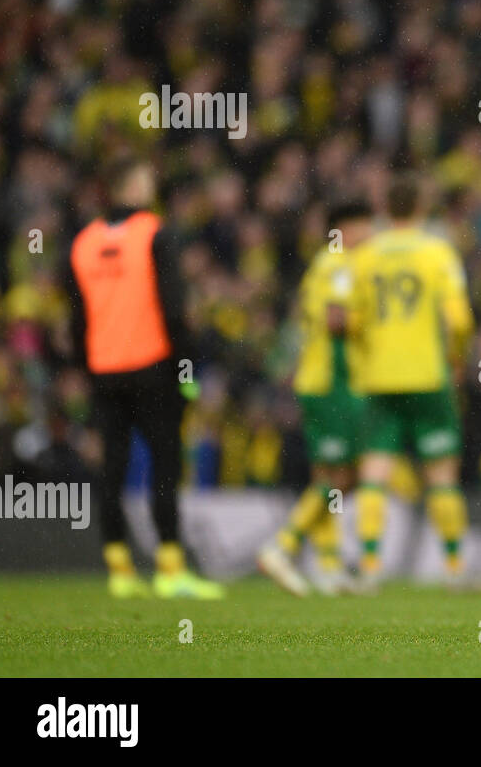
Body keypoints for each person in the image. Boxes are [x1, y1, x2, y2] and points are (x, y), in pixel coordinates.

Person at [66, 157, 223, 599]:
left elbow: (77, 321)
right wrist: (188, 372)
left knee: (111, 468)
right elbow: (175, 311)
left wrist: (87, 369)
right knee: (164, 466)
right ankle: (170, 569)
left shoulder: (83, 243)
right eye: (146, 179)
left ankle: (118, 570)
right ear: (130, 186)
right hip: (153, 368)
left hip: (104, 373)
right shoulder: (156, 234)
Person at [347, 175, 474, 588]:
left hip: (380, 377)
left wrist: (367, 357)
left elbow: (350, 321)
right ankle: (454, 568)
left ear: (386, 210)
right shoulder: (437, 253)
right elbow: (459, 320)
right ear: (421, 208)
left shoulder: (365, 256)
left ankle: (369, 567)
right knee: (440, 476)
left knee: (373, 474)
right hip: (427, 376)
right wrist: (456, 357)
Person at [258, 199, 375, 596]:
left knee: (331, 477)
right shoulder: (339, 263)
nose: (370, 233)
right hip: (335, 383)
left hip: (323, 382)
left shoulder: (328, 262)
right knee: (344, 476)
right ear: (343, 228)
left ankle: (327, 566)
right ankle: (282, 546)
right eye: (363, 224)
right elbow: (336, 319)